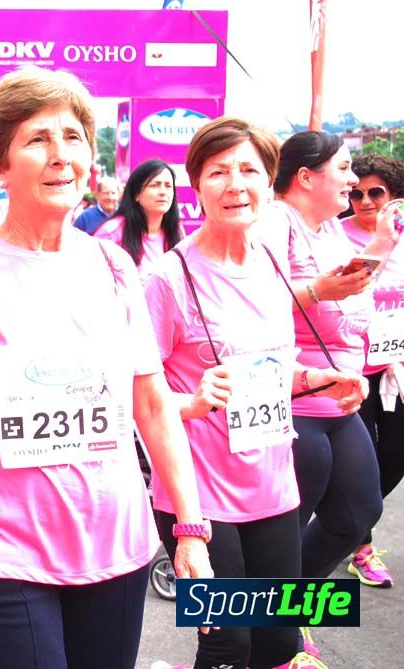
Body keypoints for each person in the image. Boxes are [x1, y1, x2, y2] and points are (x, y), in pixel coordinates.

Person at [0, 67, 211, 669]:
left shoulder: (116, 267)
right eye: (37, 139)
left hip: (114, 542)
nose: (60, 155)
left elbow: (151, 405)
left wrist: (191, 529)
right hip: (2, 551)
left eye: (73, 137)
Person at [145, 117, 367, 669]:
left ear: (270, 184)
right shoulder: (168, 279)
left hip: (272, 485)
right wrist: (192, 403)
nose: (235, 184)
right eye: (218, 172)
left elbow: (272, 374)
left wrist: (328, 379)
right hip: (196, 494)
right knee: (228, 641)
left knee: (276, 640)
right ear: (197, 185)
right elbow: (135, 398)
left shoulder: (271, 265)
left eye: (249, 170)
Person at [268, 131, 389, 585]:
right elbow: (243, 307)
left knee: (359, 513)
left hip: (341, 398)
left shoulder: (331, 229)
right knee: (281, 533)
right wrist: (318, 289)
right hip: (293, 403)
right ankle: (264, 640)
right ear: (304, 177)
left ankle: (285, 611)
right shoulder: (274, 222)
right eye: (343, 169)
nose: (353, 181)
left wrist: (382, 243)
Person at [339, 153, 404, 588]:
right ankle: (359, 545)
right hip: (347, 372)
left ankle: (343, 521)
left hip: (393, 370)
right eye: (356, 192)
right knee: (356, 465)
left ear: (393, 196)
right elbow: (340, 292)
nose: (364, 200)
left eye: (375, 192)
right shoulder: (336, 236)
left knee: (394, 458)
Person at [94, 159, 184, 282]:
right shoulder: (112, 233)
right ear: (136, 194)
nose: (163, 192)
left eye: (168, 186)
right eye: (154, 185)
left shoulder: (177, 231)